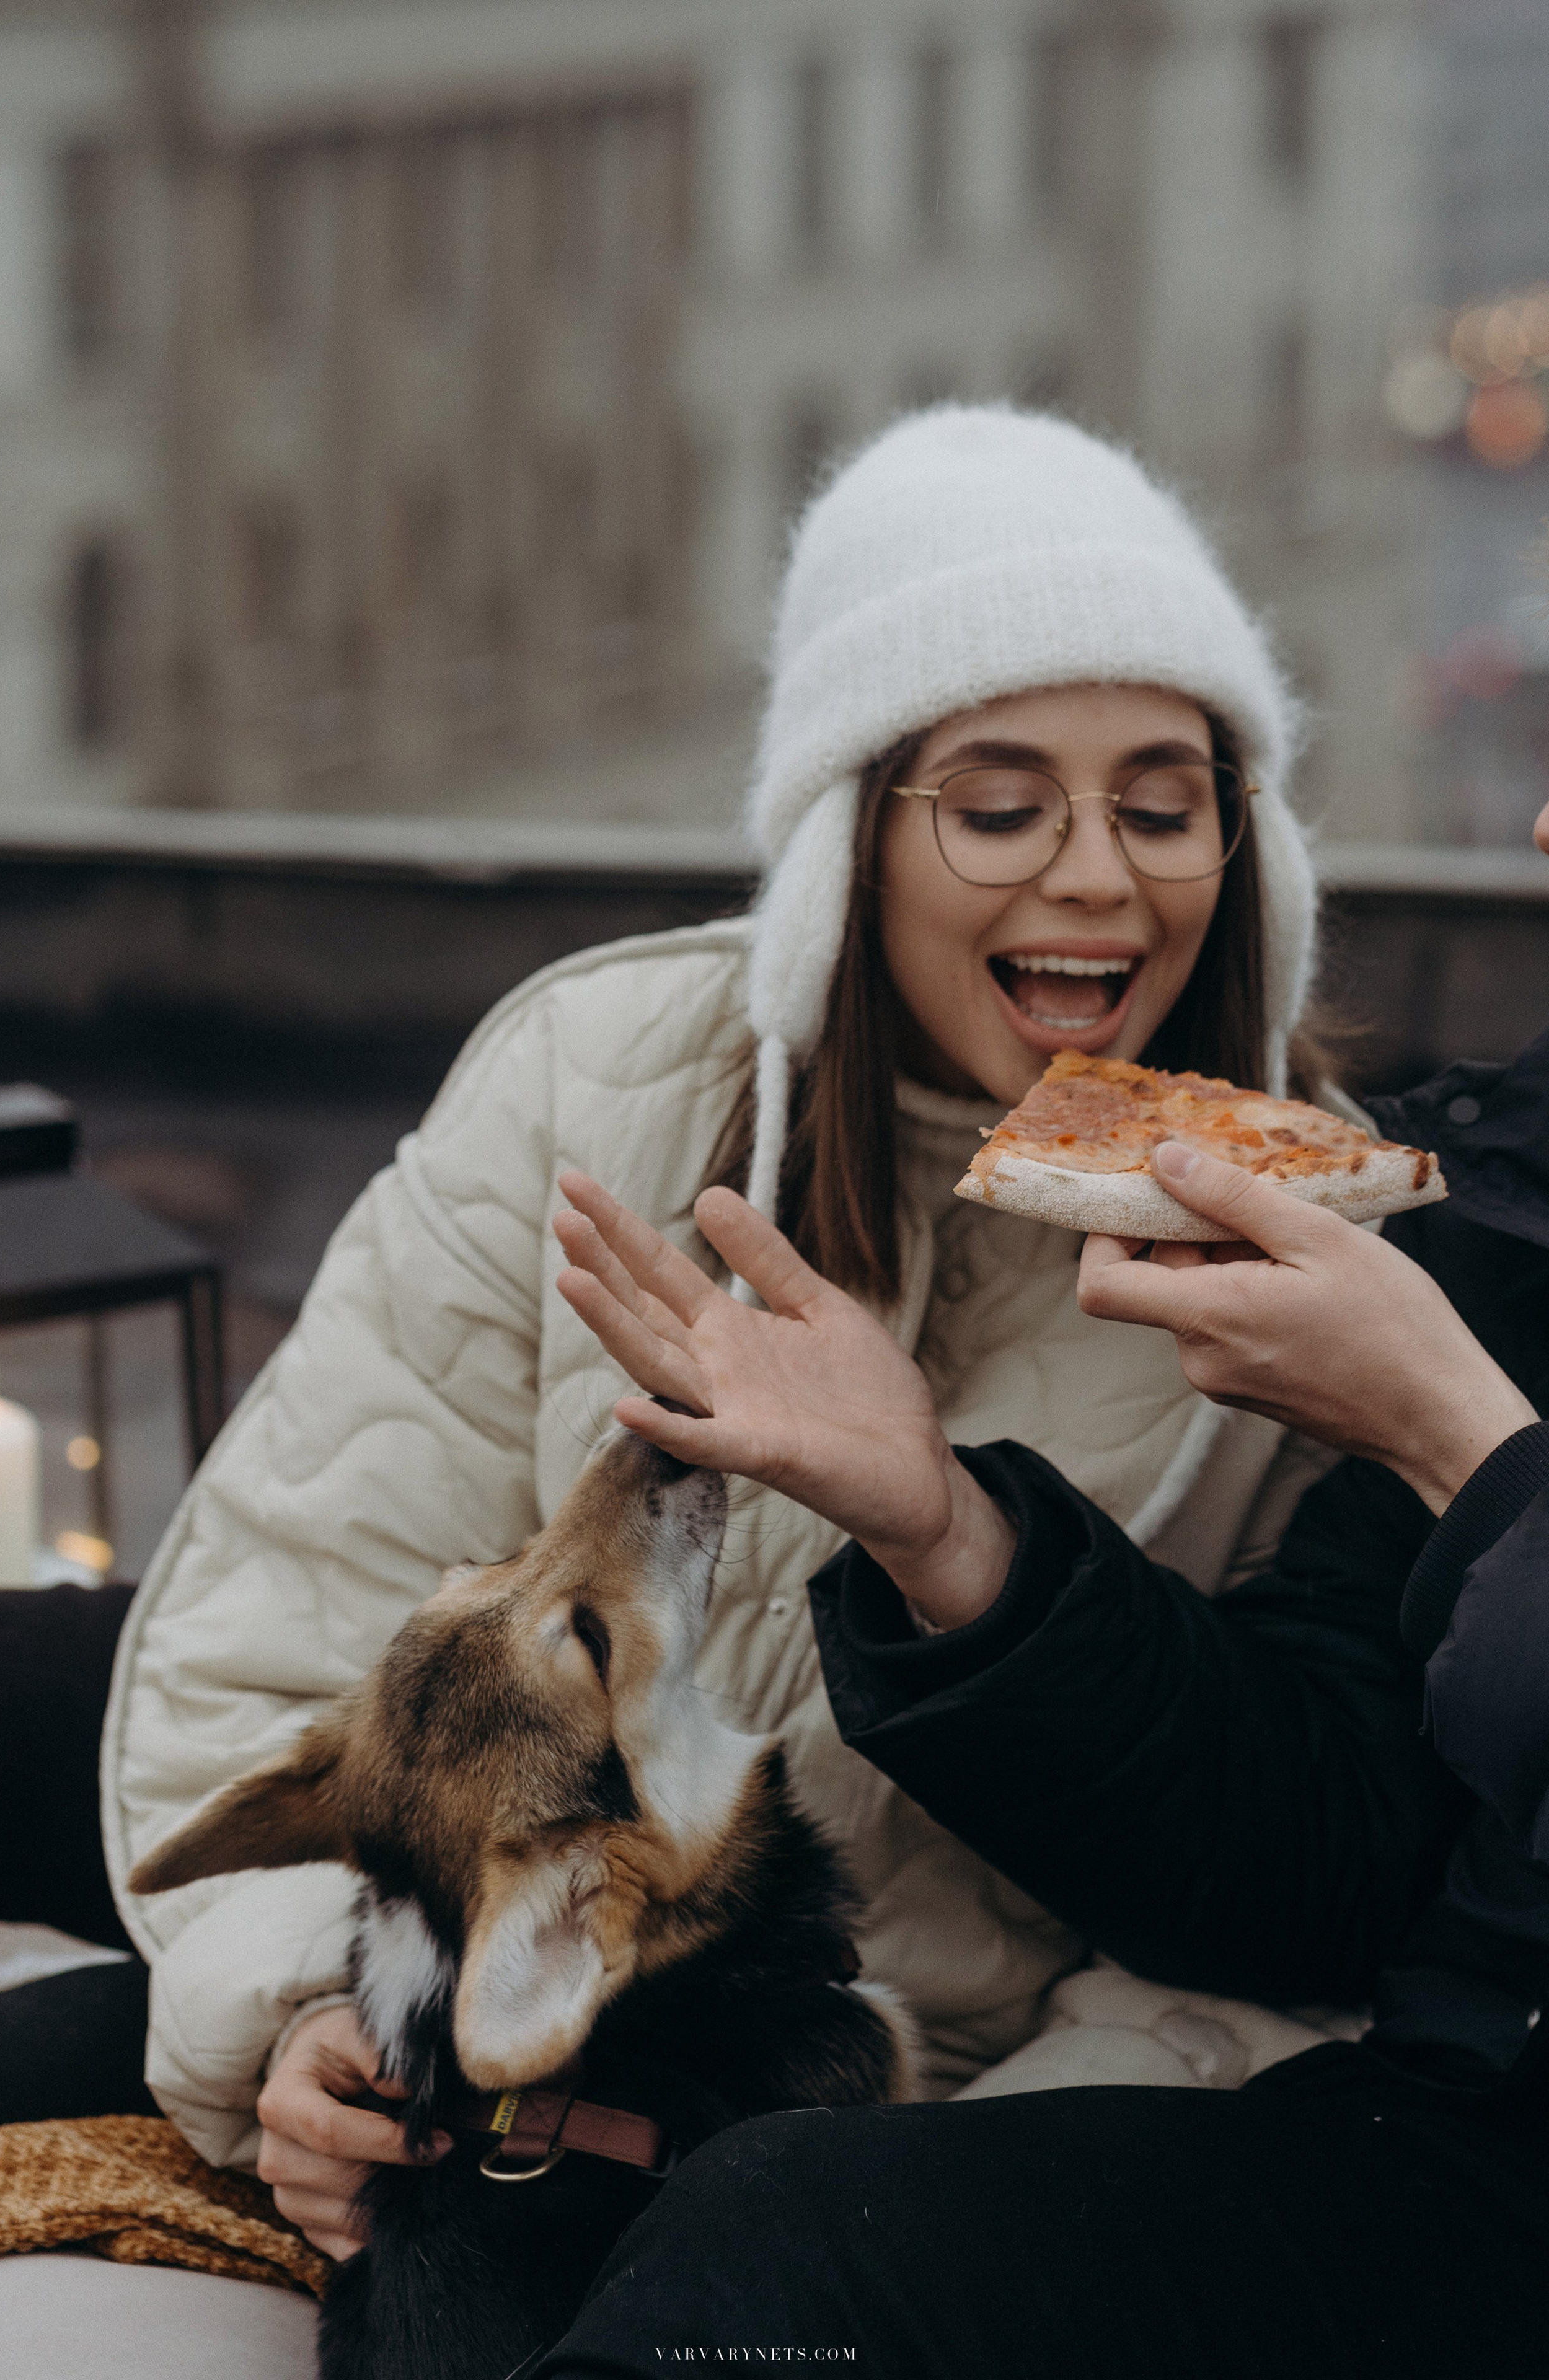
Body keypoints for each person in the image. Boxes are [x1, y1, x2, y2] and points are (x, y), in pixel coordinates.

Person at [94, 406, 1376, 2252]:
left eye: (1164, 806)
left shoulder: (1313, 1258)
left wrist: (865, 2214)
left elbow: (1291, 1932)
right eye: (1003, 804)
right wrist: (314, 2016)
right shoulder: (591, 1077)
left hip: (919, 2173)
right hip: (502, 2095)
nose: (1100, 874)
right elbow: (278, 1635)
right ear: (850, 835)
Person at [529, 1067, 1549, 2378]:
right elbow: (1333, 1859)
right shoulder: (1510, 1199)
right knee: (785, 2238)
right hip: (1458, 2134)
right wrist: (950, 1535)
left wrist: (1458, 1449)